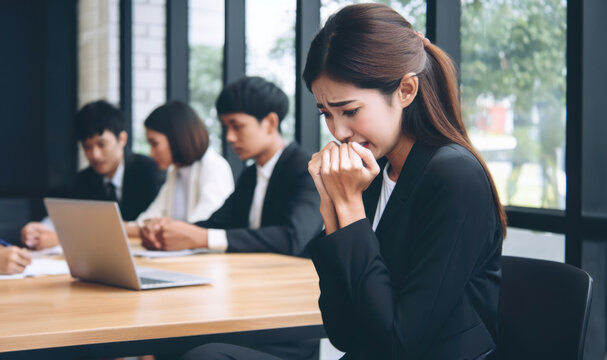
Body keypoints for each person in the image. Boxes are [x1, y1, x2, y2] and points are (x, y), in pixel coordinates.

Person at [182, 3, 506, 360]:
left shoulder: (454, 175)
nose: (339, 132)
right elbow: (342, 332)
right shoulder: (374, 172)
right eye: (327, 114)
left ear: (406, 91)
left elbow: (399, 344)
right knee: (208, 354)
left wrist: (349, 207)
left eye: (350, 111)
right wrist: (330, 204)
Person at [140, 77, 323, 259]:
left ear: (270, 123)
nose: (230, 137)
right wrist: (165, 231)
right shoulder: (250, 175)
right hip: (256, 278)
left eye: (237, 126)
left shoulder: (307, 169)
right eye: (226, 127)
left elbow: (293, 238)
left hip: (298, 281)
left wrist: (203, 238)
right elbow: (217, 224)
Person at [21, 100, 165, 250]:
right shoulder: (84, 179)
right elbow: (68, 215)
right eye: (87, 147)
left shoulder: (149, 171)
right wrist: (40, 230)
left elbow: (153, 224)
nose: (95, 155)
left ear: (122, 139)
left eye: (102, 144)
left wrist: (66, 237)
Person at [124, 101, 234, 237]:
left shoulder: (215, 166)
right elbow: (150, 217)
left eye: (154, 143)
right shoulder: (175, 171)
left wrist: (152, 227)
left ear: (176, 137)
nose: (151, 153)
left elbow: (203, 224)